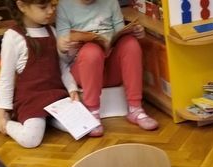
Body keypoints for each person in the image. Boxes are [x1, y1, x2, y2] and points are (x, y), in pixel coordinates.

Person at [0, 0, 80, 148]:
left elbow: (63, 67)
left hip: (56, 96)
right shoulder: (12, 37)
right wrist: (2, 113)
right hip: (31, 100)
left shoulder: (53, 32)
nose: (50, 11)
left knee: (81, 126)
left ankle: (47, 119)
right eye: (43, 7)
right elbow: (6, 78)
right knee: (30, 140)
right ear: (22, 6)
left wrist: (72, 89)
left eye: (53, 6)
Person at [57, 0, 159, 136]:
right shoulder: (64, 5)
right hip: (84, 72)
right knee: (91, 51)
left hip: (110, 69)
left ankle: (135, 108)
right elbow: (62, 55)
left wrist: (136, 32)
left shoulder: (110, 2)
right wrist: (63, 46)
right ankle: (92, 112)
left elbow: (121, 34)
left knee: (130, 43)